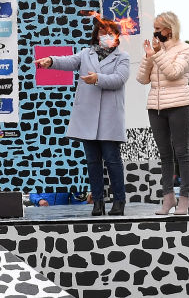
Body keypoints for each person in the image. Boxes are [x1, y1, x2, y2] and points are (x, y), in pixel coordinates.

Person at [37, 16, 130, 216]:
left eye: (109, 33)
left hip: (109, 118)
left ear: (116, 36)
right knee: (93, 162)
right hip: (88, 117)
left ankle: (119, 202)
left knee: (113, 161)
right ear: (96, 35)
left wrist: (98, 78)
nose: (105, 36)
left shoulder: (123, 57)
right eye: (102, 33)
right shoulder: (86, 54)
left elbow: (119, 79)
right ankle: (97, 202)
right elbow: (69, 61)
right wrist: (51, 61)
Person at [137, 11, 189, 215]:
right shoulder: (156, 50)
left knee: (181, 152)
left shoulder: (186, 49)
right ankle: (168, 197)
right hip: (156, 107)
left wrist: (158, 54)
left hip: (179, 104)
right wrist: (148, 57)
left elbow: (173, 73)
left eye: (158, 28)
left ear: (169, 29)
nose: (155, 32)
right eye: (154, 28)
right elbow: (142, 79)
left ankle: (185, 199)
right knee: (165, 155)